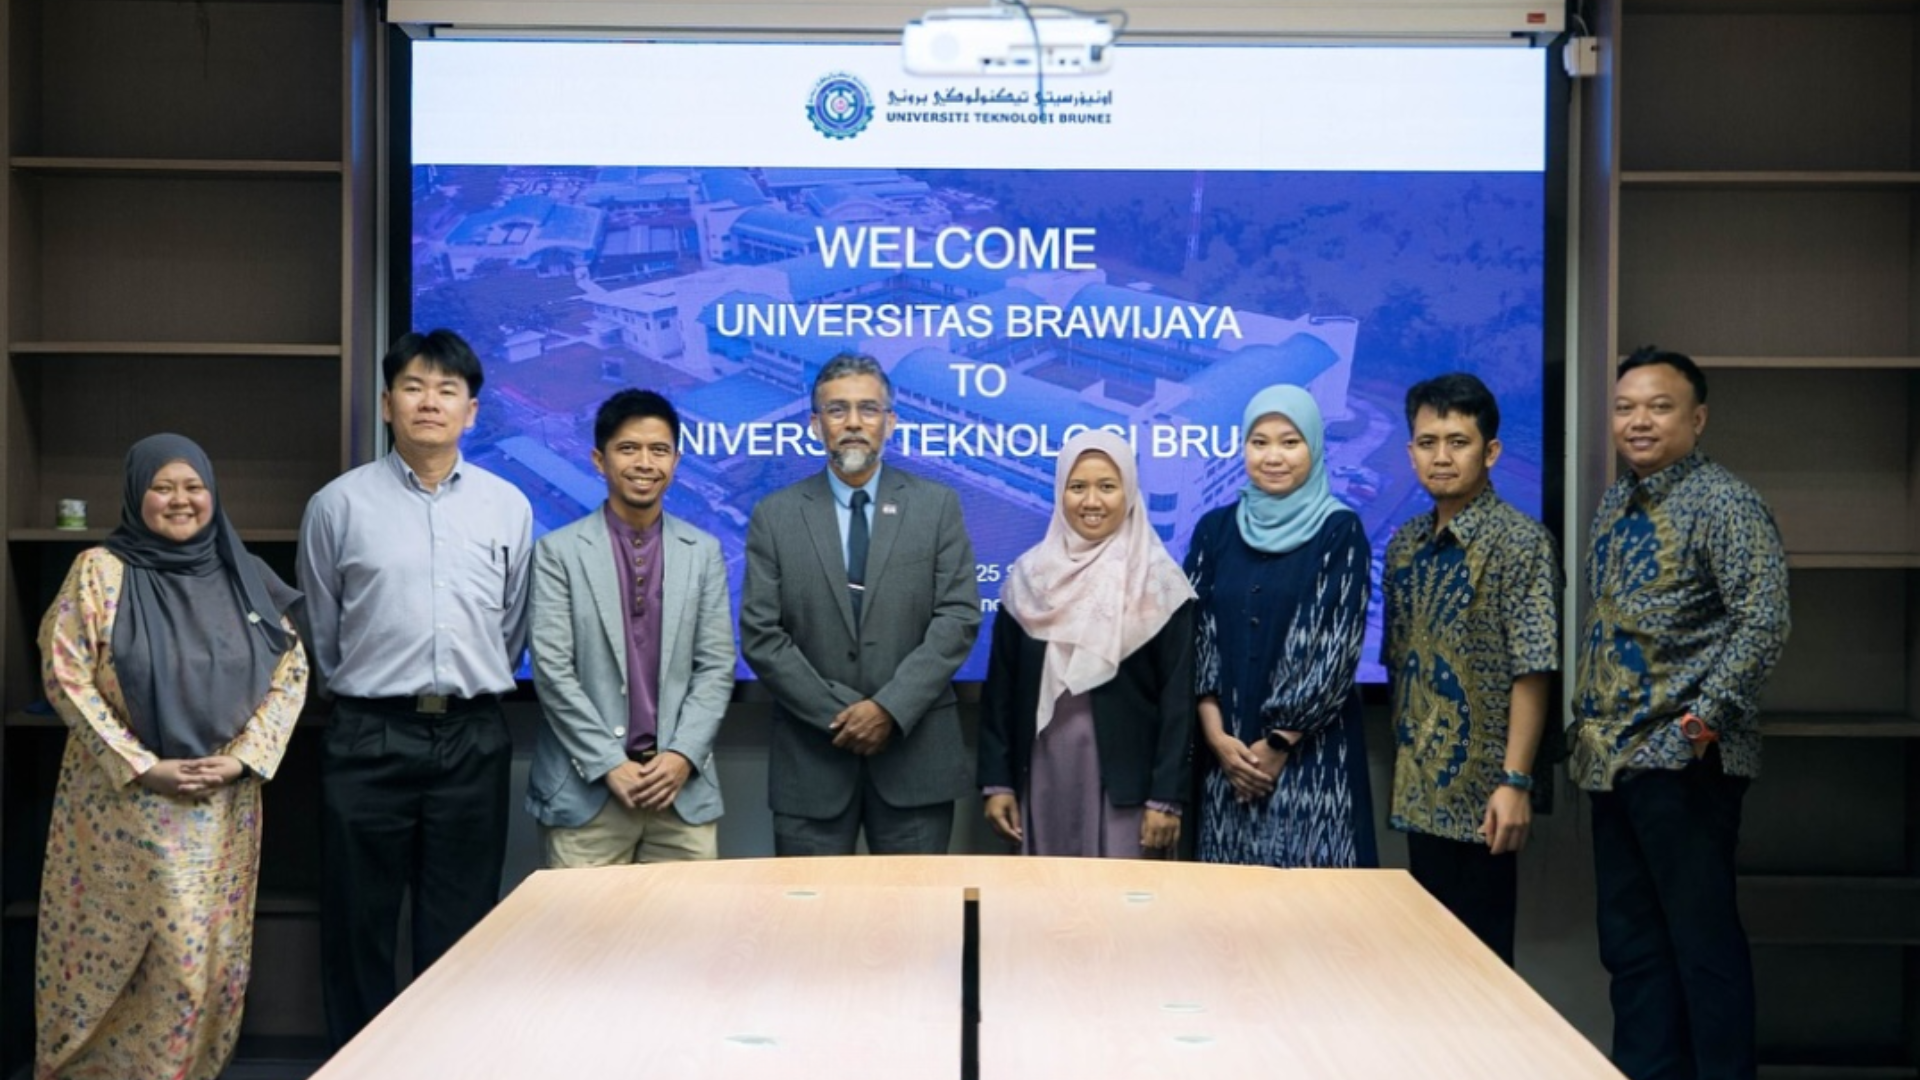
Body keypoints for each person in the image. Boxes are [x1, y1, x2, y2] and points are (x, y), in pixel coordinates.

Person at [35, 434, 308, 1080]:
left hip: (220, 804)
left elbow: (291, 672)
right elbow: (64, 676)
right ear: (137, 494)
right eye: (163, 487)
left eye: (193, 487)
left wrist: (242, 759)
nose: (180, 500)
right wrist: (141, 765)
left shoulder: (240, 570)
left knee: (202, 959)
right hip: (122, 807)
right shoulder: (99, 571)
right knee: (114, 957)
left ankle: (185, 1070)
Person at [297, 329, 533, 1048]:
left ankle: (444, 1061)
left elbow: (512, 627)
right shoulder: (337, 506)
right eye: (413, 387)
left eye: (447, 389)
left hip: (473, 736)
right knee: (357, 927)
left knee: (462, 928)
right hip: (368, 734)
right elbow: (323, 629)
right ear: (386, 403)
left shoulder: (507, 506)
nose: (430, 401)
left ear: (471, 410)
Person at [1572, 347, 1790, 1080]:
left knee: (1702, 951)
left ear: (1697, 419)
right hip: (1614, 762)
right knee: (1632, 950)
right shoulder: (1616, 501)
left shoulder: (1725, 501)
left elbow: (1764, 621)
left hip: (1685, 764)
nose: (1639, 421)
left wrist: (1697, 728)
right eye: (1625, 407)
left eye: (1659, 407)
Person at [741, 352, 981, 856]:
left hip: (915, 759)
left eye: (868, 409)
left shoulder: (937, 506)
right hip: (812, 761)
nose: (853, 422)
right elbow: (762, 636)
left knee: (916, 905)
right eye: (837, 409)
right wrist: (842, 715)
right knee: (808, 906)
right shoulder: (775, 516)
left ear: (890, 422)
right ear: (815, 425)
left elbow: (958, 617)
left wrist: (889, 709)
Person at [1381, 373, 1560, 965]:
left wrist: (1516, 782)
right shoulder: (1405, 543)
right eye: (1427, 442)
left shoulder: (1520, 542)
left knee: (1482, 970)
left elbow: (1533, 669)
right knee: (1426, 967)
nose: (1441, 457)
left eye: (1458, 442)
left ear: (1491, 452)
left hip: (1487, 798)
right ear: (1410, 452)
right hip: (1420, 793)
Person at [526, 389, 735, 865]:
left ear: (676, 462)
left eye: (659, 450)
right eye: (628, 449)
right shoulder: (559, 552)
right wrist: (608, 762)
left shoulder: (702, 552)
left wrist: (682, 755)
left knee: (691, 917)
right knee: (584, 920)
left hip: (680, 793)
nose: (645, 463)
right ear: (599, 460)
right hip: (587, 794)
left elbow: (716, 666)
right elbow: (553, 671)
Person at [978, 429, 1197, 857]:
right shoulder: (1028, 579)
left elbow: (1178, 702)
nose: (1091, 501)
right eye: (1077, 487)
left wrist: (1166, 797)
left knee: (1123, 895)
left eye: (1107, 487)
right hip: (1042, 770)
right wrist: (997, 782)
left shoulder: (1160, 583)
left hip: (1129, 785)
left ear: (1129, 492)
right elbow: (1000, 691)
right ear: (1061, 491)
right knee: (1048, 891)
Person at [1184, 384, 1375, 868]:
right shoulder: (1214, 529)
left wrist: (1276, 745)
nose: (1273, 457)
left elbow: (1331, 648)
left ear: (1314, 445)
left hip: (1309, 759)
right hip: (1225, 760)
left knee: (1308, 901)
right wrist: (1216, 738)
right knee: (1226, 904)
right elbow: (1196, 636)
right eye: (1259, 442)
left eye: (1290, 442)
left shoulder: (1340, 530)